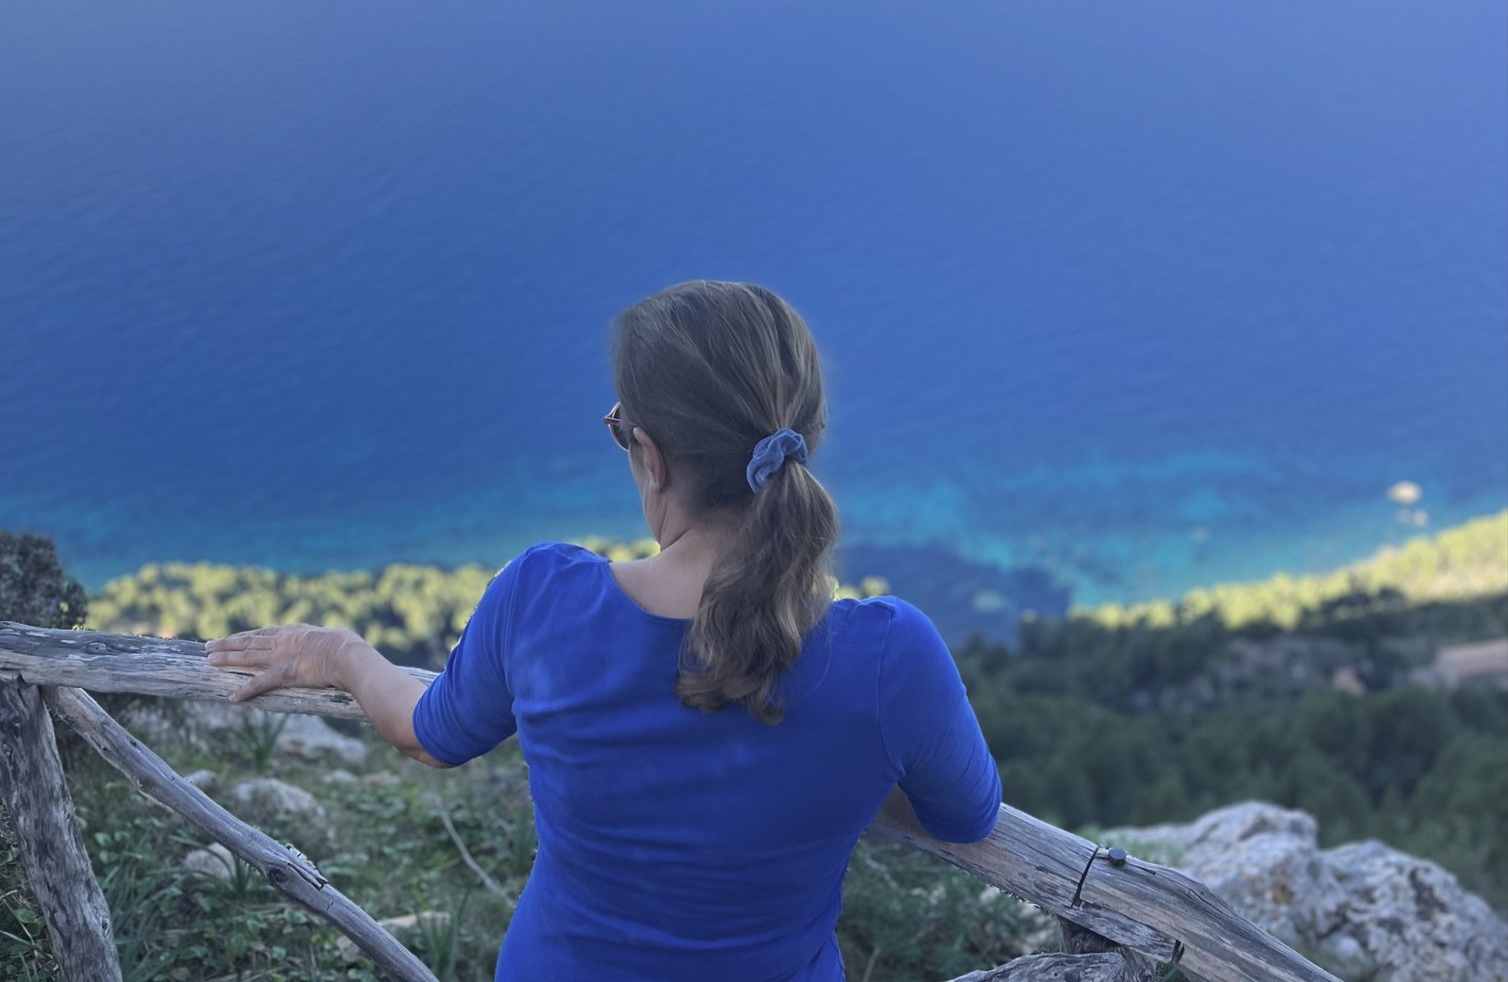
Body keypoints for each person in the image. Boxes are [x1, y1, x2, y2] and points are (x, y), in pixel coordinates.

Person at [206, 280, 1002, 981]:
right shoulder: (892, 660)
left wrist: (336, 652)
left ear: (650, 457)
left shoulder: (543, 600)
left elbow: (430, 733)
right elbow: (965, 814)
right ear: (804, 440)